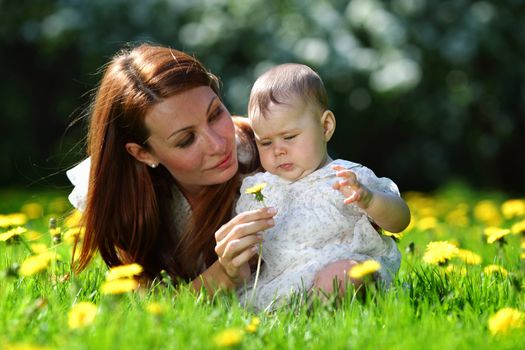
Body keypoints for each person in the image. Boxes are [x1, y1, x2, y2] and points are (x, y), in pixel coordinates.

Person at [66, 43, 277, 293]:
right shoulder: (122, 193)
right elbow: (153, 308)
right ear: (143, 153)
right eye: (186, 140)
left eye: (215, 114)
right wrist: (224, 274)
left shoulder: (275, 153)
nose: (218, 144)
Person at [235, 63, 410, 310]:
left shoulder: (346, 177)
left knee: (343, 276)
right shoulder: (261, 190)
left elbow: (400, 220)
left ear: (325, 126)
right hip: (284, 281)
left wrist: (370, 200)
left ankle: (315, 311)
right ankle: (293, 315)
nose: (278, 150)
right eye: (265, 142)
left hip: (339, 267)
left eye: (289, 137)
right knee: (249, 300)